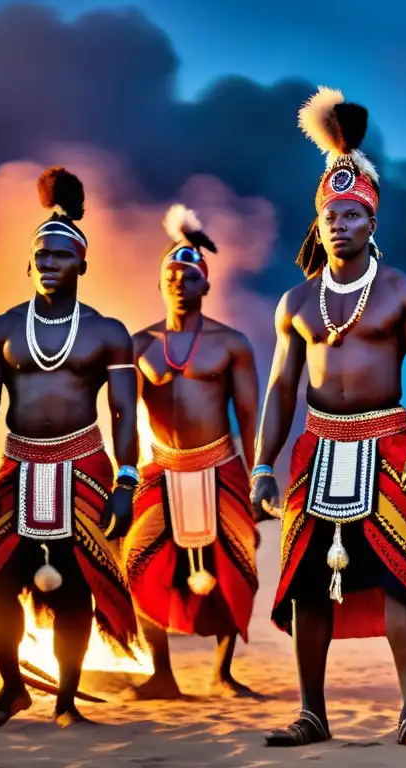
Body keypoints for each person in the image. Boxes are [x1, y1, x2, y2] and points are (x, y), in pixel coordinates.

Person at [250, 86, 406, 748]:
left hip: (389, 445)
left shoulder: (403, 294)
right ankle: (311, 713)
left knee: (399, 577)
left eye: (352, 215)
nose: (340, 224)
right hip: (315, 449)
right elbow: (281, 388)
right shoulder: (297, 302)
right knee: (308, 584)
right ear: (319, 221)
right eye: (330, 215)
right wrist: (262, 466)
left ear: (373, 222)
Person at [0, 167, 139, 728]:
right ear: (28, 262)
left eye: (61, 256)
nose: (48, 264)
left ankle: (66, 700)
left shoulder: (108, 333)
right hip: (15, 466)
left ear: (82, 264)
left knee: (77, 586)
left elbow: (122, 412)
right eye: (40, 256)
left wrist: (126, 481)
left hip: (83, 466)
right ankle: (12, 688)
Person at [123, 204, 260, 699]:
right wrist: (124, 472)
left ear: (206, 284)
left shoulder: (232, 344)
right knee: (137, 561)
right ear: (160, 282)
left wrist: (258, 474)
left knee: (237, 565)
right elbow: (122, 415)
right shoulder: (137, 344)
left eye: (188, 275)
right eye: (170, 274)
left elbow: (249, 416)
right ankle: (162, 673)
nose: (178, 281)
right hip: (160, 468)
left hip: (221, 465)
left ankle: (222, 673)